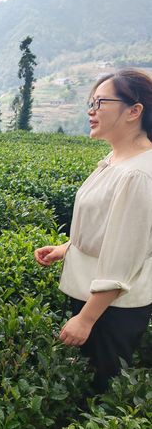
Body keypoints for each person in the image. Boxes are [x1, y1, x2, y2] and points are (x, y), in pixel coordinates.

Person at [35, 69, 152, 392]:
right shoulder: (115, 159)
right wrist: (67, 248)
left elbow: (124, 256)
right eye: (91, 102)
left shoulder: (138, 175)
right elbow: (106, 224)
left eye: (100, 102)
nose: (91, 111)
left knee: (100, 393)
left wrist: (86, 319)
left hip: (110, 311)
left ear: (134, 111)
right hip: (91, 297)